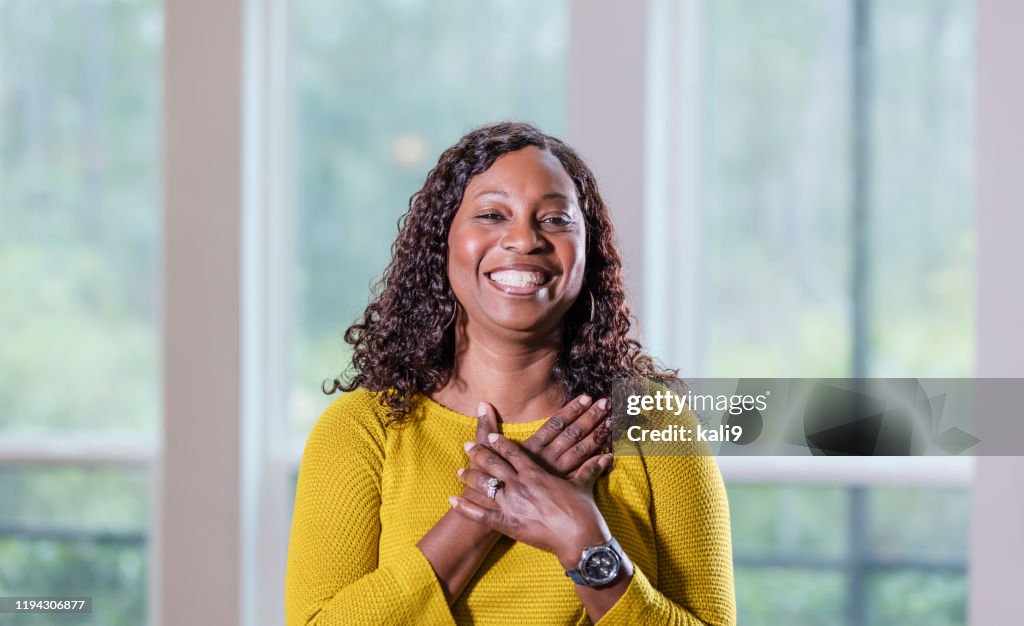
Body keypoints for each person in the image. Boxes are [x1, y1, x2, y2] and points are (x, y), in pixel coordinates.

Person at [284, 122, 736, 625]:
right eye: (492, 215)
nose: (524, 239)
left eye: (555, 219)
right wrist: (478, 512)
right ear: (442, 241)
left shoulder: (653, 422)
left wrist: (585, 543)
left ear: (588, 252)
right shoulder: (362, 428)